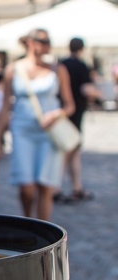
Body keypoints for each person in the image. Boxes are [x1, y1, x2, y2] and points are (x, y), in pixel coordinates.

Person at [0, 29, 75, 221]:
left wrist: (57, 113)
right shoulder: (13, 70)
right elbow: (6, 105)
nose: (47, 45)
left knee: (45, 185)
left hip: (49, 132)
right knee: (26, 185)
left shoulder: (58, 69)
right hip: (22, 131)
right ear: (30, 43)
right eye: (43, 41)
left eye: (49, 42)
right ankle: (29, 220)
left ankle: (43, 231)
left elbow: (70, 104)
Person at [58, 37, 100, 202]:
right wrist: (100, 93)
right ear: (82, 49)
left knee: (73, 151)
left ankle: (77, 187)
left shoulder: (62, 64)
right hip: (74, 114)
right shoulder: (82, 66)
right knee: (68, 151)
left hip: (63, 113)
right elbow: (86, 89)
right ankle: (56, 188)